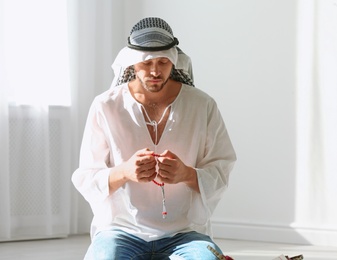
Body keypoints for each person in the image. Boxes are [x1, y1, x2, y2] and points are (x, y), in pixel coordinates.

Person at [72, 17, 236, 260]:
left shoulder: (203, 105)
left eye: (163, 62)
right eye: (146, 63)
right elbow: (86, 176)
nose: (155, 71)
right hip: (120, 231)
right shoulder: (105, 106)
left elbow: (222, 169)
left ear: (174, 60)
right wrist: (125, 171)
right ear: (131, 63)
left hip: (185, 233)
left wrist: (186, 174)